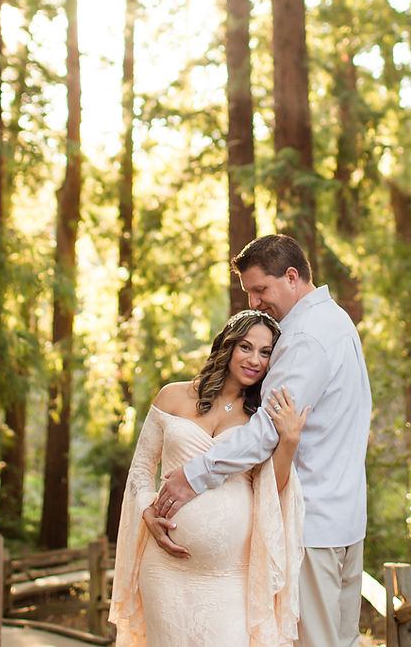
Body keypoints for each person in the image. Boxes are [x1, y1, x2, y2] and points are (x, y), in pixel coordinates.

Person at [155, 234, 372, 647]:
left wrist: (194, 474)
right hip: (344, 519)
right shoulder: (337, 321)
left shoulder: (306, 336)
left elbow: (265, 431)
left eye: (260, 290)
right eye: (249, 292)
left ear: (292, 277)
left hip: (313, 527)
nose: (254, 303)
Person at [109, 309, 310, 647]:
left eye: (265, 353)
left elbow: (270, 492)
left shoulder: (260, 419)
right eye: (246, 347)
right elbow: (141, 470)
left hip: (230, 577)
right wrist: (147, 512)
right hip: (164, 573)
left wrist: (288, 441)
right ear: (227, 346)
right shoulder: (172, 396)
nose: (255, 360)